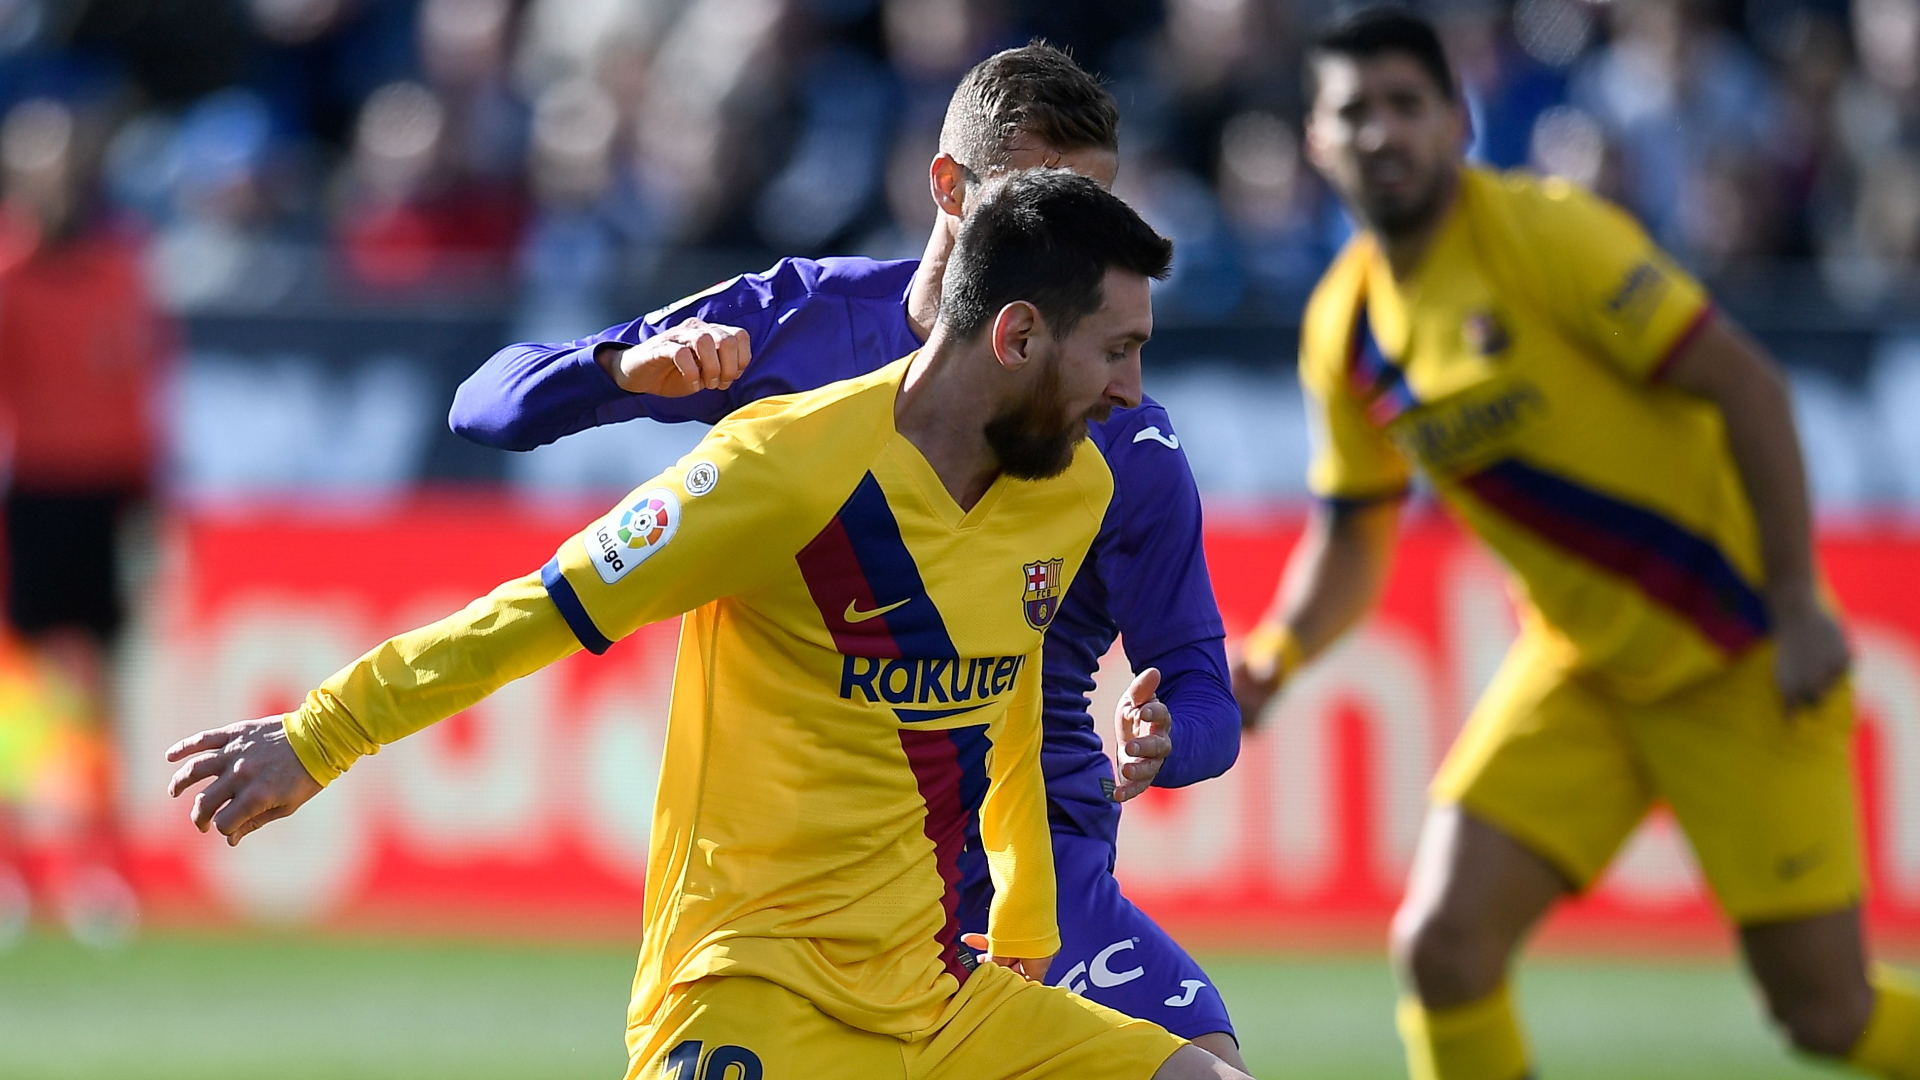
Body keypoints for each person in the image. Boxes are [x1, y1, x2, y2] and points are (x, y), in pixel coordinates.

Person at [167, 170, 1252, 1080]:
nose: (1133, 391)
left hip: (938, 1000)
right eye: (1115, 350)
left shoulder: (1068, 493)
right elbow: (534, 614)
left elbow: (1006, 694)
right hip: (749, 992)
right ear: (1016, 336)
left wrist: (1020, 932)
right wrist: (318, 736)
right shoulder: (780, 470)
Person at [448, 42, 1249, 1071]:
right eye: (1040, 201)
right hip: (807, 899)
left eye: (1095, 208)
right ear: (949, 189)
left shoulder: (1121, 437)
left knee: (1214, 1061)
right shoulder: (802, 325)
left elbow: (1204, 692)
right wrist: (613, 371)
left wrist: (1168, 738)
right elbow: (486, 407)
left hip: (1036, 882)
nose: (1076, 246)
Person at [1231, 9, 1919, 1080]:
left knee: (1824, 1014)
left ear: (1458, 120)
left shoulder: (1545, 236)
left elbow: (1746, 387)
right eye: (1353, 113)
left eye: (1406, 106)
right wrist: (1275, 651)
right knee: (1443, 949)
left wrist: (1797, 605)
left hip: (1733, 652)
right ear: (1317, 144)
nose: (1382, 134)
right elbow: (1354, 538)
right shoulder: (1344, 328)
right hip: (1582, 671)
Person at [0, 96, 164, 946]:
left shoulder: (118, 271)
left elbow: (144, 393)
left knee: (96, 691)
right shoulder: (10, 272)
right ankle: (17, 867)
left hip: (103, 494)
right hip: (33, 495)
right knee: (21, 690)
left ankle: (101, 866)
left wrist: (149, 500)